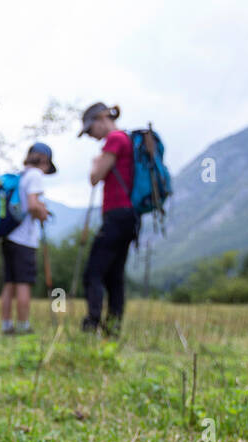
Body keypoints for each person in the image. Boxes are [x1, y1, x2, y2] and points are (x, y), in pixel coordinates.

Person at [79, 103, 139, 335]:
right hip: (129, 216)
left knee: (93, 273)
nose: (91, 136)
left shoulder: (114, 139)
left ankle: (92, 323)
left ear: (102, 118)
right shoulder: (127, 140)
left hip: (116, 215)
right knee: (114, 276)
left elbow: (95, 177)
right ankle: (113, 329)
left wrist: (96, 163)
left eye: (90, 129)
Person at [0, 142, 55, 336]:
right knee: (23, 283)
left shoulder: (21, 176)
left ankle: (6, 325)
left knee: (9, 283)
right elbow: (32, 205)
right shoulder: (35, 175)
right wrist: (43, 212)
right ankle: (23, 326)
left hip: (8, 236)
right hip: (24, 240)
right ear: (44, 160)